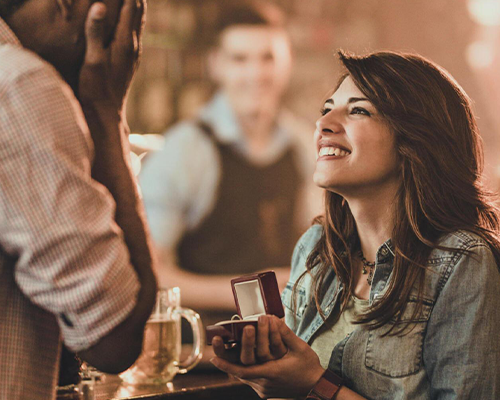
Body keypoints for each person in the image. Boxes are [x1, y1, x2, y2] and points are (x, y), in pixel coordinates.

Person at [210, 50, 500, 399]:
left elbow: (307, 384)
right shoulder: (317, 246)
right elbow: (285, 385)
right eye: (326, 108)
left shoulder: (461, 261)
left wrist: (316, 386)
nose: (324, 123)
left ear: (415, 140)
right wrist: (266, 375)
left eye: (358, 110)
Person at [0, 0, 158, 398]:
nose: (126, 41)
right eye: (128, 13)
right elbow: (114, 338)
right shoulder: (18, 84)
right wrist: (105, 111)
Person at [139, 1, 319, 325]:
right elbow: (151, 272)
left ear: (287, 62)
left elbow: (322, 251)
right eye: (240, 59)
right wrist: (252, 295)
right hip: (205, 351)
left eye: (268, 58)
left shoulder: (304, 145)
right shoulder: (186, 149)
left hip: (284, 345)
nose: (255, 73)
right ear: (216, 65)